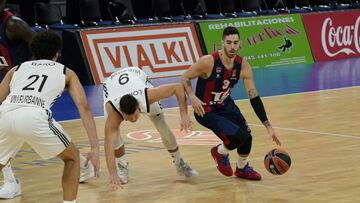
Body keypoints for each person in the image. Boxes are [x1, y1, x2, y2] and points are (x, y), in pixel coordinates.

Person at [0, 30, 100, 202]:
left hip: (6, 115)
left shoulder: (16, 69)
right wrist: (95, 147)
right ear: (56, 53)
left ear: (33, 51)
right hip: (34, 116)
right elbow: (84, 107)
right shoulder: (66, 71)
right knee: (72, 158)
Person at [181, 26, 281, 180]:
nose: (232, 47)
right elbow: (185, 78)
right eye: (229, 42)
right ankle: (219, 152)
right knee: (237, 137)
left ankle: (242, 169)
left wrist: (268, 126)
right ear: (222, 43)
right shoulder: (208, 62)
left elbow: (253, 96)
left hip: (225, 105)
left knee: (247, 137)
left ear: (239, 43)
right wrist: (192, 96)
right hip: (206, 110)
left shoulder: (243, 66)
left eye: (235, 43)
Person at [103, 66, 198, 189]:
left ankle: (179, 162)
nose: (133, 120)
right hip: (110, 84)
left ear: (139, 106)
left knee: (161, 123)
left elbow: (178, 87)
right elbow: (107, 145)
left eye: (135, 115)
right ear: (121, 111)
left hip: (135, 74)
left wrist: (184, 114)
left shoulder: (147, 96)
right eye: (129, 117)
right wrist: (112, 173)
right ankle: (122, 165)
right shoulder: (113, 111)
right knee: (113, 137)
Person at [0, 0, 34, 81]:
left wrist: (23, 70)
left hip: (23, 78)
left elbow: (43, 47)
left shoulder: (14, 24)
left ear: (3, 2)